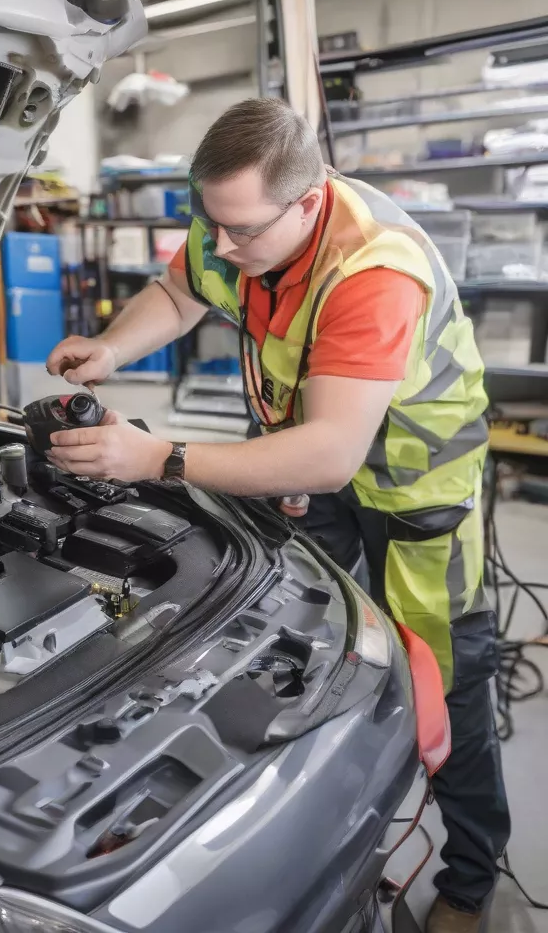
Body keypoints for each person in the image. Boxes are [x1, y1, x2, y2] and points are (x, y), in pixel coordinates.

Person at [45, 98, 509, 933]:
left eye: (243, 229)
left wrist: (158, 460)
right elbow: (180, 291)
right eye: (211, 220)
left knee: (446, 678)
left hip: (414, 485)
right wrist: (113, 348)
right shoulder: (237, 219)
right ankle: (315, 808)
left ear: (308, 200)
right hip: (311, 457)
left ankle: (471, 878)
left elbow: (333, 450)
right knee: (302, 633)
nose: (222, 244)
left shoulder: (372, 271)